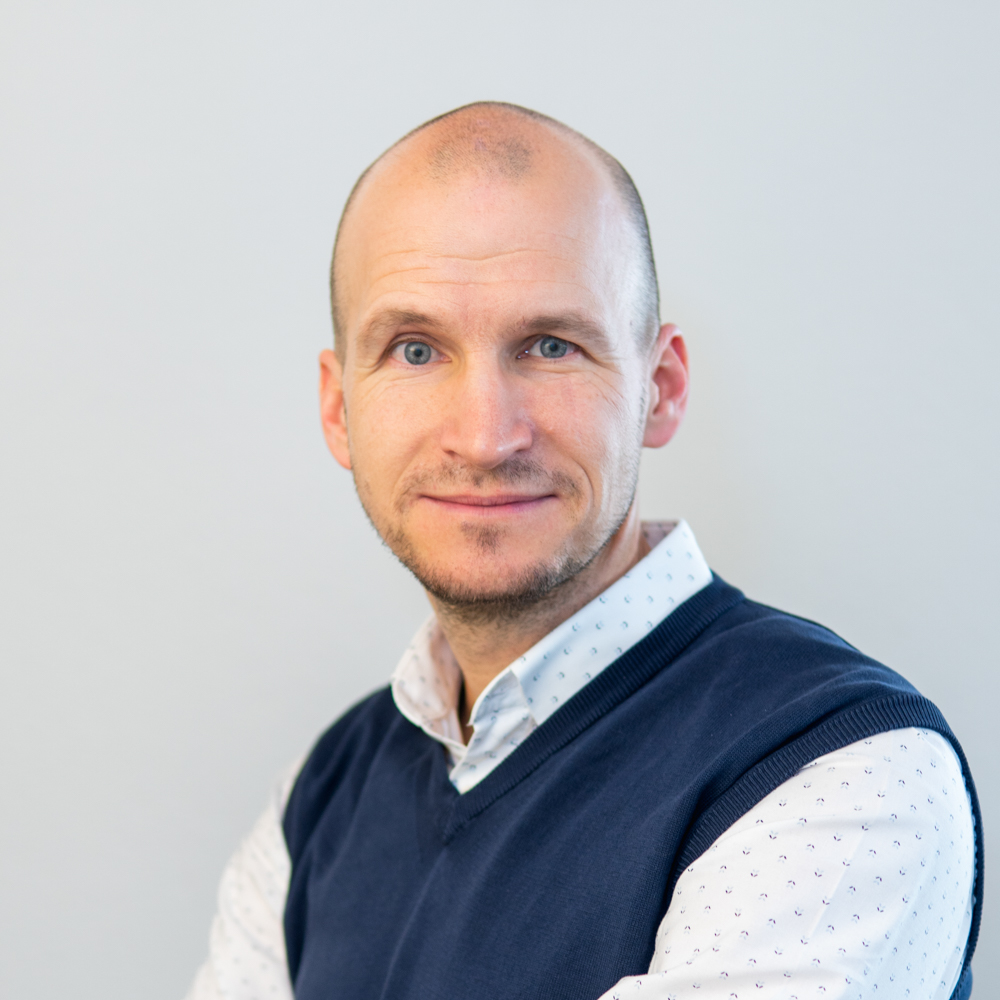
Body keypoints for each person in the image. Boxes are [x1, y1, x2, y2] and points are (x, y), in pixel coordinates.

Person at [186, 102, 982, 1000]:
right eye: (415, 351)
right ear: (339, 409)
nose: (485, 436)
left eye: (550, 346)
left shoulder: (838, 769)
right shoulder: (317, 801)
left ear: (660, 388)